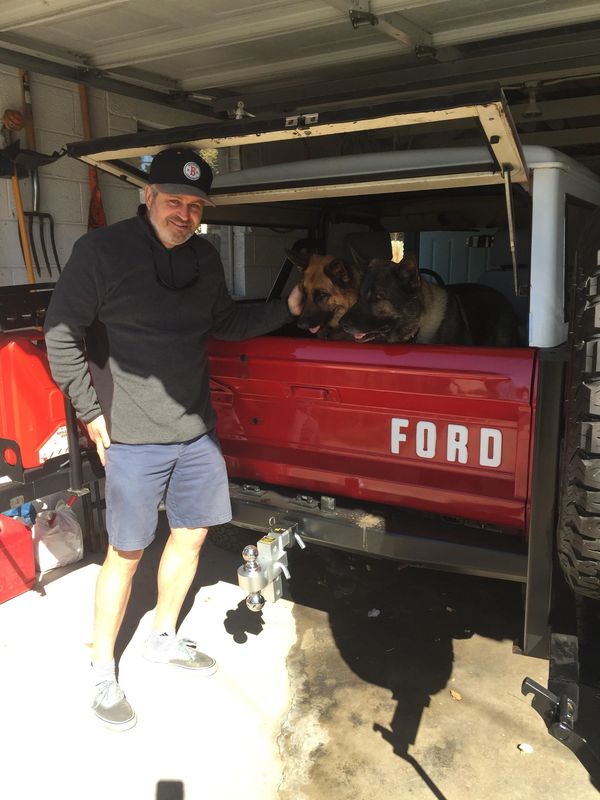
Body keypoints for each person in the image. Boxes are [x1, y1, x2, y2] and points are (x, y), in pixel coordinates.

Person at [44, 147, 303, 731]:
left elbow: (227, 323)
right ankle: (102, 669)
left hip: (195, 433)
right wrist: (90, 411)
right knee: (127, 553)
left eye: (194, 205)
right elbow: (60, 336)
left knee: (190, 538)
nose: (183, 214)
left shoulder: (204, 259)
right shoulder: (102, 252)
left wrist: (284, 309)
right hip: (133, 438)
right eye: (173, 201)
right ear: (147, 197)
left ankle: (162, 636)